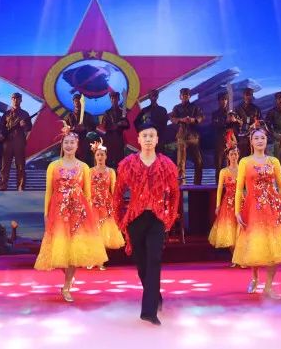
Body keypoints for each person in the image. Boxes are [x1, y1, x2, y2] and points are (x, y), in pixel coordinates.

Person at [112, 127, 180, 326]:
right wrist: (119, 219)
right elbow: (117, 194)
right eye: (145, 136)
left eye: (152, 136)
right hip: (135, 218)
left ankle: (149, 311)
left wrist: (169, 218)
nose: (148, 139)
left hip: (157, 218)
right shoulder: (128, 164)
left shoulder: (166, 165)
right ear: (139, 140)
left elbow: (175, 194)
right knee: (142, 264)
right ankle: (155, 297)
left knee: (154, 259)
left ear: (157, 140)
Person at [34, 128, 108, 301]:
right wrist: (46, 213)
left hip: (78, 212)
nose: (69, 145)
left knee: (75, 249)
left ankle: (66, 286)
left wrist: (90, 216)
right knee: (59, 249)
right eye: (66, 142)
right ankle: (68, 276)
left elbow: (88, 195)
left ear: (77, 145)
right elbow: (49, 192)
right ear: (62, 145)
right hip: (58, 212)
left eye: (72, 143)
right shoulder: (53, 166)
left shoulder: (84, 167)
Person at [232, 124, 281, 299]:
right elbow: (239, 188)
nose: (259, 141)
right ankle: (255, 277)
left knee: (274, 247)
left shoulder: (274, 161)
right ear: (251, 141)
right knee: (255, 244)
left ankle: (268, 287)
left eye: (262, 138)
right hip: (253, 208)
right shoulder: (245, 162)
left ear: (266, 141)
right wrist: (237, 211)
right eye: (256, 138)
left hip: (273, 208)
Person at [90, 141, 125, 268]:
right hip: (93, 204)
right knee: (94, 232)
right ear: (95, 156)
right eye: (98, 155)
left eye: (102, 155)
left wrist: (115, 204)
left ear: (106, 156)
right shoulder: (90, 171)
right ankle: (93, 259)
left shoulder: (110, 171)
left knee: (104, 233)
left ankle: (101, 261)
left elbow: (114, 189)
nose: (100, 157)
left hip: (106, 204)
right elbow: (86, 189)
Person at [208, 142, 240, 262]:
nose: (234, 156)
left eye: (236, 154)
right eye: (232, 154)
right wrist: (217, 205)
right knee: (229, 230)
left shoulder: (243, 169)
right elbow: (220, 189)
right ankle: (235, 258)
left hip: (241, 201)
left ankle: (240, 257)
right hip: (228, 203)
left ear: (238, 155)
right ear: (228, 156)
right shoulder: (224, 171)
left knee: (240, 230)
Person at [170, 87, 204, 185]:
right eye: (183, 95)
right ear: (180, 97)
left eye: (187, 95)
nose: (185, 97)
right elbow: (172, 118)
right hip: (182, 136)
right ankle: (181, 184)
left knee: (198, 161)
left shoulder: (195, 107)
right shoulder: (177, 107)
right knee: (181, 162)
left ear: (189, 96)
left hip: (193, 137)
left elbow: (201, 116)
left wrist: (193, 120)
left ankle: (197, 184)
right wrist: (181, 120)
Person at [0, 92, 33, 190]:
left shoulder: (25, 114)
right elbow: (1, 126)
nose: (15, 100)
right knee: (5, 166)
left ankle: (20, 186)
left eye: (17, 98)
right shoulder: (6, 113)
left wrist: (24, 125)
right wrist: (1, 134)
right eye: (13, 98)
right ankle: (2, 185)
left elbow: (29, 128)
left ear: (21, 100)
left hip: (19, 142)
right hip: (8, 142)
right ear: (11, 100)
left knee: (20, 166)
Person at [63, 93, 99, 165]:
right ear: (73, 103)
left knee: (85, 161)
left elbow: (94, 127)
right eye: (76, 101)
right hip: (73, 143)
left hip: (85, 142)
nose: (77, 103)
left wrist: (85, 128)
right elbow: (64, 128)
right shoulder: (69, 116)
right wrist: (73, 128)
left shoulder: (88, 115)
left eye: (79, 101)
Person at [210, 92, 241, 171]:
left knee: (231, 163)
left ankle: (231, 179)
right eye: (222, 99)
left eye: (225, 99)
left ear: (227, 101)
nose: (224, 101)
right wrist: (225, 122)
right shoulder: (215, 114)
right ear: (218, 101)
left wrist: (235, 120)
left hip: (231, 141)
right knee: (219, 165)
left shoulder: (232, 113)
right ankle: (219, 179)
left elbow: (240, 123)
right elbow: (213, 125)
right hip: (219, 141)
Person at [99, 91, 130, 168]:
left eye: (115, 98)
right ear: (110, 99)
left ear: (118, 99)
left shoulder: (122, 112)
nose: (114, 100)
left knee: (120, 162)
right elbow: (103, 128)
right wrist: (116, 125)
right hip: (109, 140)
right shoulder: (107, 113)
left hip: (119, 140)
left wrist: (124, 123)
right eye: (112, 98)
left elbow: (127, 125)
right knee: (109, 162)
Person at [233, 88, 263, 158]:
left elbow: (261, 122)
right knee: (242, 158)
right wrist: (237, 137)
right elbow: (234, 124)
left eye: (250, 95)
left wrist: (257, 124)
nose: (248, 97)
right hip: (241, 138)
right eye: (247, 95)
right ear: (243, 96)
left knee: (254, 157)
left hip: (253, 137)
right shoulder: (237, 109)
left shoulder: (256, 109)